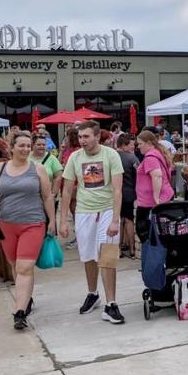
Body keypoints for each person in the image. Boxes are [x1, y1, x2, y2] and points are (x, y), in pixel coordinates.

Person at [0, 132, 57, 330]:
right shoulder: (1, 168)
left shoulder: (38, 169)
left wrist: (52, 221)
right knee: (17, 267)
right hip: (6, 224)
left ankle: (19, 312)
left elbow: (47, 196)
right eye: (22, 146)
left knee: (25, 267)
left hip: (33, 224)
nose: (26, 149)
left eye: (28, 146)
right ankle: (25, 299)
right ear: (12, 147)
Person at [59, 120, 126, 324]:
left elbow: (117, 190)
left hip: (106, 210)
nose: (82, 141)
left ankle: (111, 304)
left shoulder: (111, 155)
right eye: (80, 137)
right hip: (84, 212)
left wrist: (115, 220)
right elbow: (67, 190)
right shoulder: (74, 157)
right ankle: (92, 293)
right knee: (88, 256)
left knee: (107, 257)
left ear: (97, 136)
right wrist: (63, 220)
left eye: (86, 136)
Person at [115, 133, 140, 258]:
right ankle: (132, 249)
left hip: (114, 193)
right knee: (129, 220)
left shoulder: (111, 156)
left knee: (118, 221)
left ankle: (118, 249)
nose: (133, 148)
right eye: (131, 145)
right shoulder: (132, 158)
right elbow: (139, 176)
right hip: (130, 193)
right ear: (124, 145)